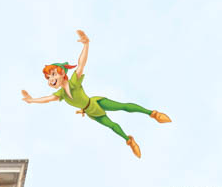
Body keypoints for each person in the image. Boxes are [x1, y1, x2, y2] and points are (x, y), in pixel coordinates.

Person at [21, 29, 171, 158]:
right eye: (49, 78)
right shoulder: (61, 94)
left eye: (53, 74)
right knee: (112, 126)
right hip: (91, 112)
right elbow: (47, 99)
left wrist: (86, 44)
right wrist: (31, 100)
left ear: (62, 74)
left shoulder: (74, 82)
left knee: (123, 106)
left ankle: (153, 114)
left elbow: (81, 64)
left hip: (95, 103)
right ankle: (129, 140)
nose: (51, 79)